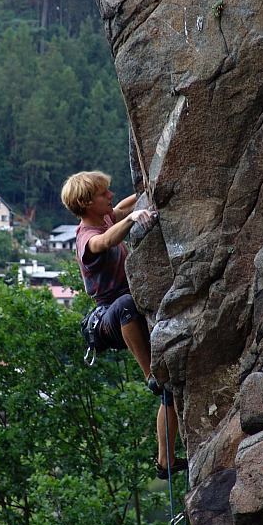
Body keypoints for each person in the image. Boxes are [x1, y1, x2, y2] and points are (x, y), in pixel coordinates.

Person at [61, 170, 186, 479]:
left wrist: (147, 192)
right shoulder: (86, 238)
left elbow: (123, 210)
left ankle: (165, 462)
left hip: (128, 305)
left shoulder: (103, 217)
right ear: (88, 203)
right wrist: (131, 221)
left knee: (169, 394)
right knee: (127, 306)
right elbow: (105, 241)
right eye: (105, 194)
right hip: (109, 316)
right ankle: (150, 374)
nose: (111, 197)